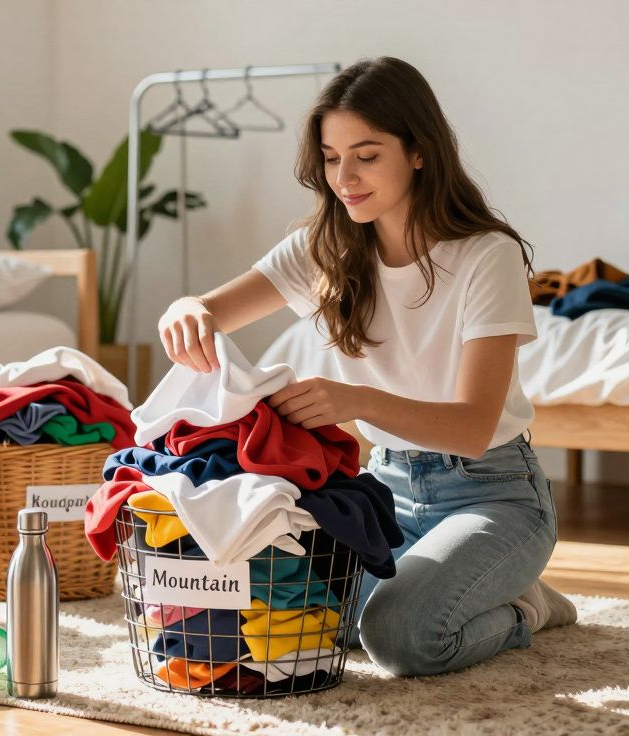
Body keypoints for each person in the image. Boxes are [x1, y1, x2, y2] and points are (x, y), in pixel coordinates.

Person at [156, 57, 576, 677]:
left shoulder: (487, 256)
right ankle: (474, 587)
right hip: (386, 491)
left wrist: (354, 401)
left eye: (367, 155)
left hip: (493, 493)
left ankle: (525, 607)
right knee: (312, 615)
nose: (344, 177)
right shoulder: (324, 245)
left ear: (419, 153)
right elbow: (210, 309)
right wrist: (185, 309)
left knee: (399, 638)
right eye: (330, 157)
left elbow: (473, 427)